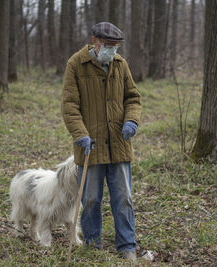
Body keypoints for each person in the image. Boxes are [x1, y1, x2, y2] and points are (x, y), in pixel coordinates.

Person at [61, 22, 141, 261]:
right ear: (95, 41)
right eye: (109, 46)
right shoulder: (76, 64)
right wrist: (80, 134)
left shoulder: (120, 64)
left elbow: (133, 98)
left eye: (116, 47)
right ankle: (93, 245)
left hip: (119, 144)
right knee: (91, 199)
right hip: (90, 146)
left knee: (124, 198)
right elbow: (69, 105)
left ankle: (127, 246)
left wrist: (132, 121)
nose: (113, 51)